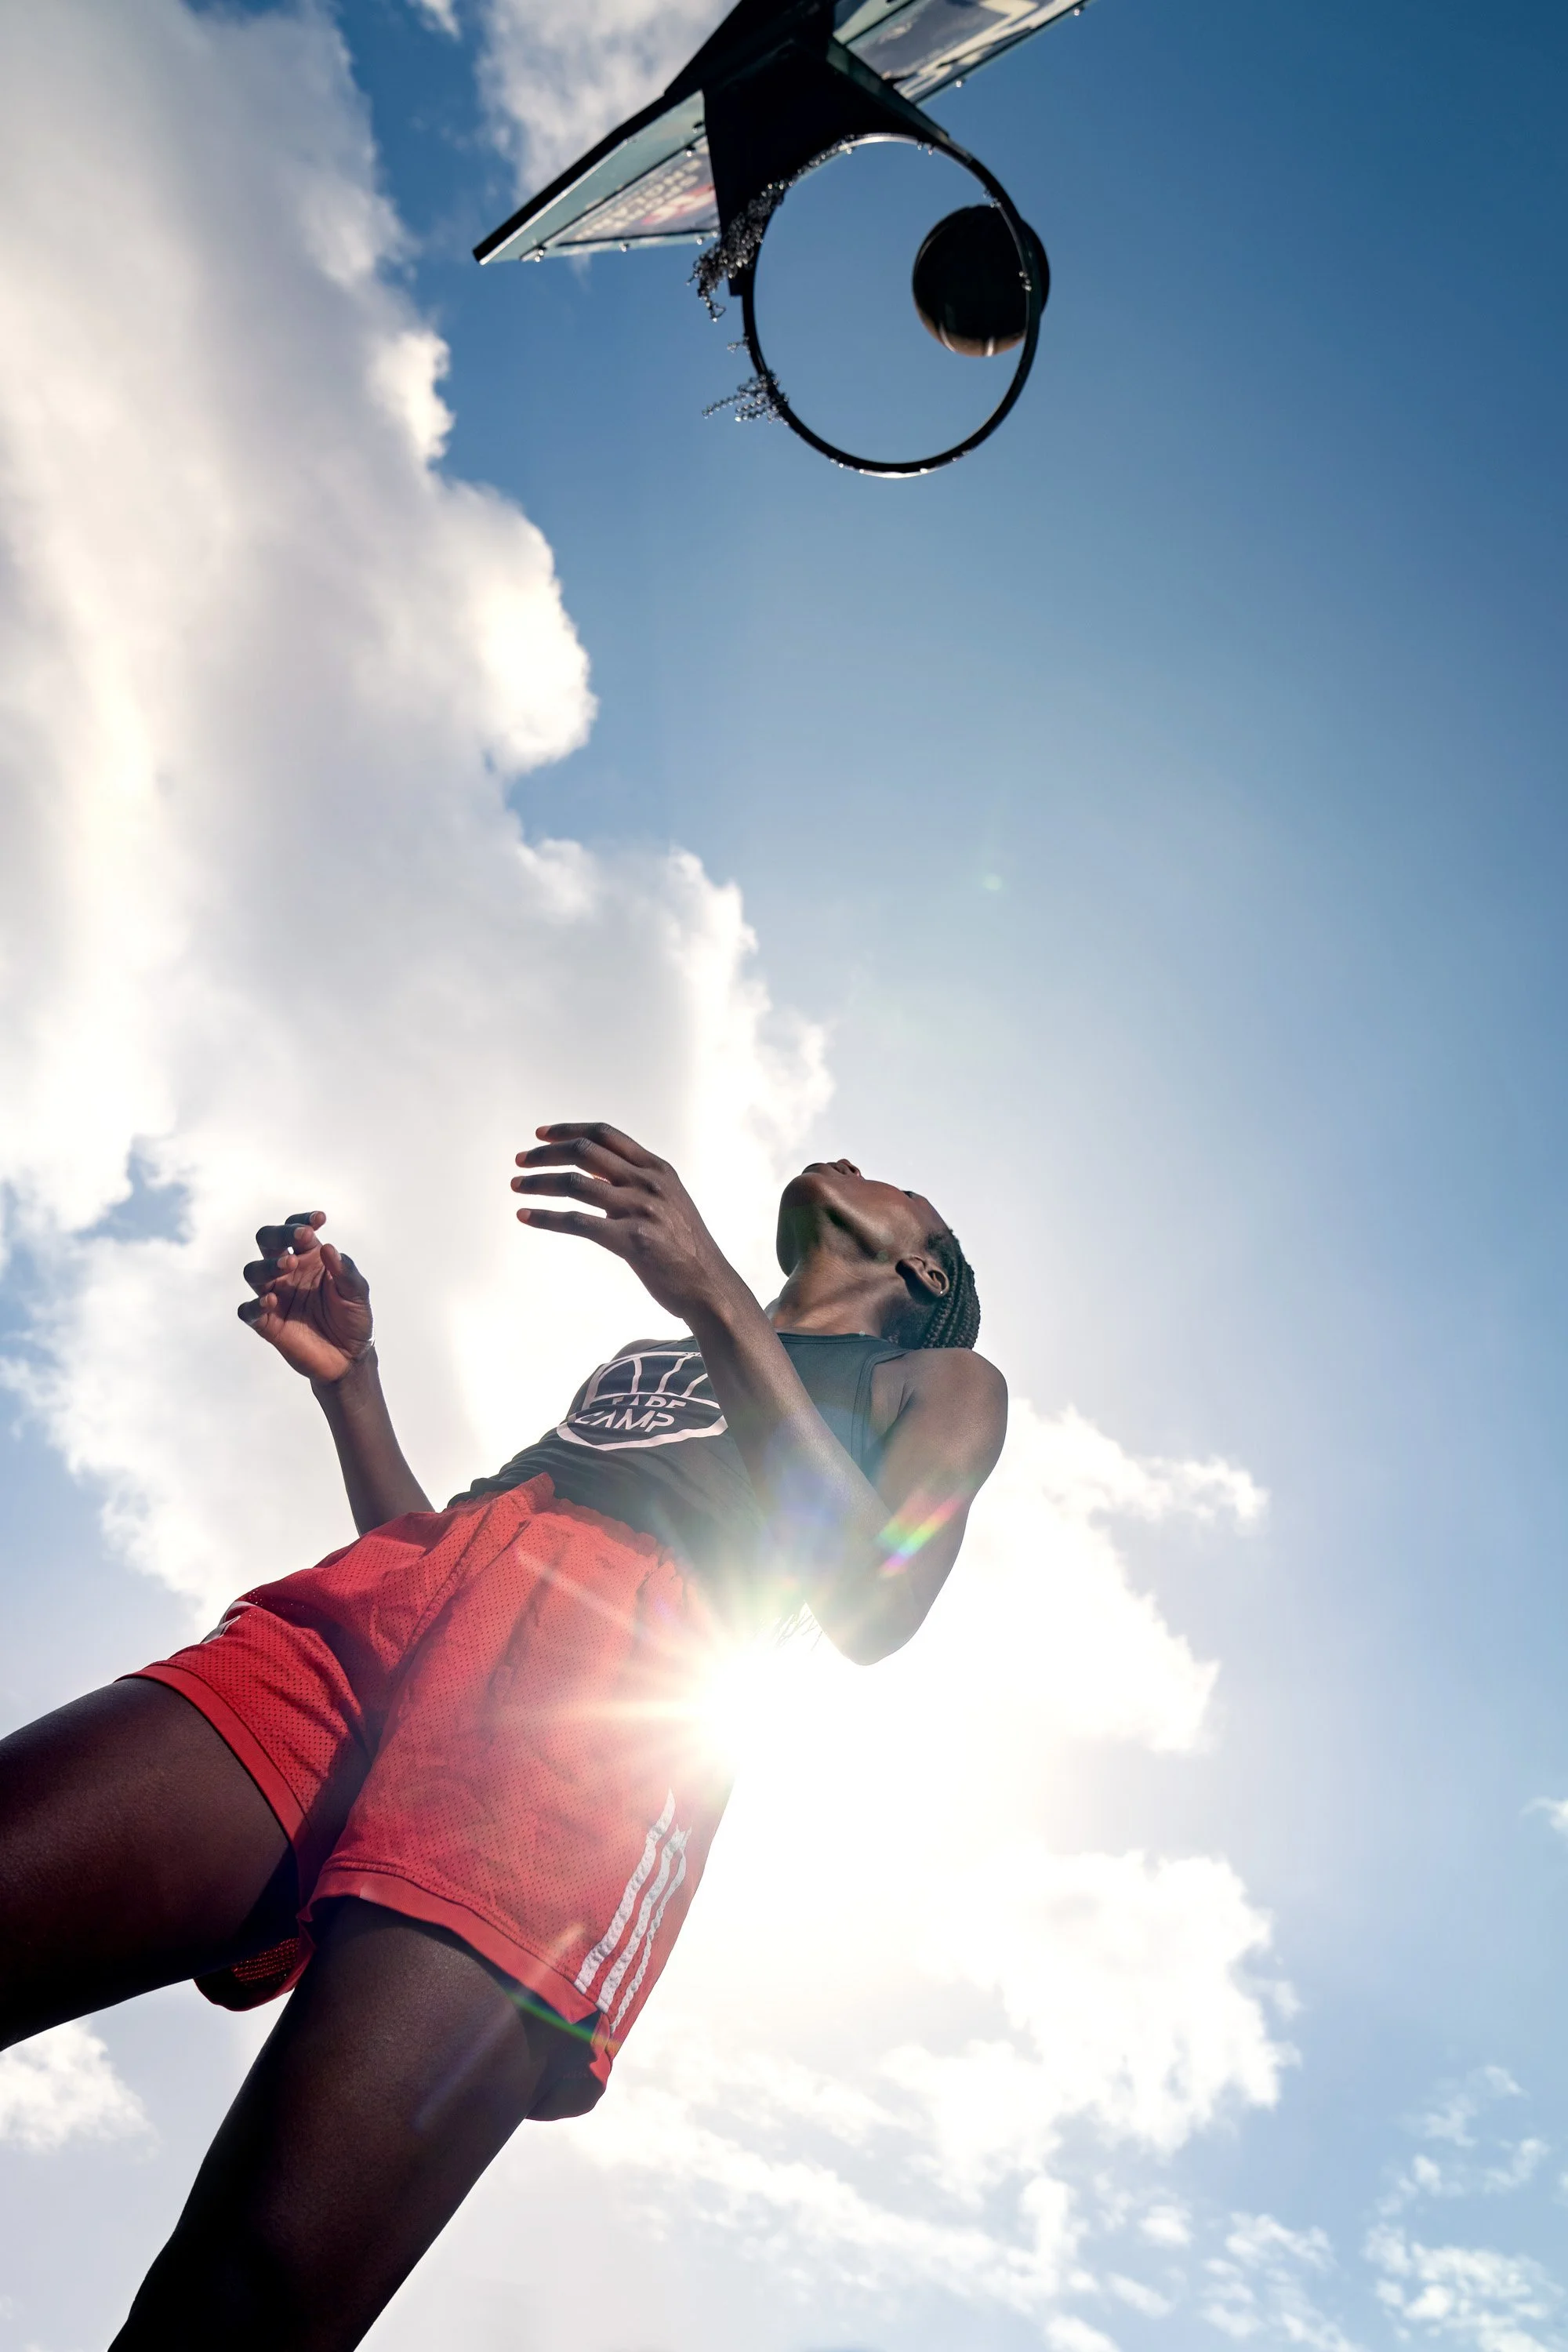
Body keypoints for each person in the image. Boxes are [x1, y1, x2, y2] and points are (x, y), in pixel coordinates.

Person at [0, 1123, 1007, 2350]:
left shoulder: (942, 1385)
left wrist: (713, 1294)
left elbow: (876, 1601)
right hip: (398, 1602)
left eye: (902, 1172)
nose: (857, 1152)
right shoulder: (656, 1348)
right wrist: (352, 1389)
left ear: (926, 1274)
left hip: (607, 1722)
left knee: (247, 2292)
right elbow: (478, 1562)